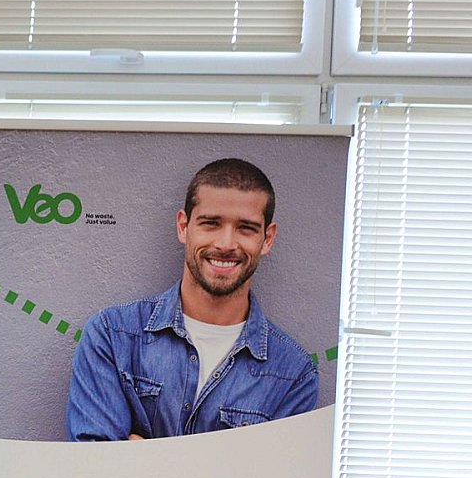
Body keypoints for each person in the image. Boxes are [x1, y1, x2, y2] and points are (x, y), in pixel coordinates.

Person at [66, 158, 319, 441]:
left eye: (245, 228)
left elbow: (275, 472)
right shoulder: (113, 336)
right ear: (183, 227)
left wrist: (141, 451)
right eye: (211, 224)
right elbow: (95, 463)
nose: (225, 244)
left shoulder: (293, 374)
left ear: (267, 238)